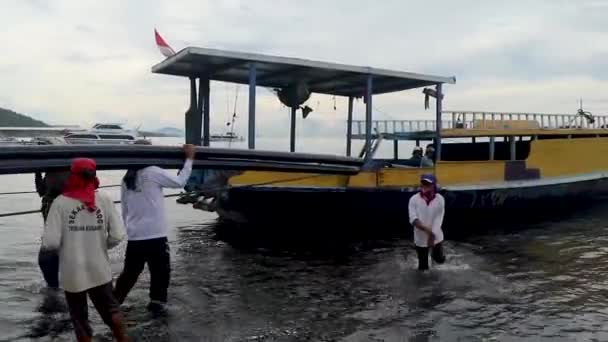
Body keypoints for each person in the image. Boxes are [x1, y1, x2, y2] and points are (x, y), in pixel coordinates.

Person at [41, 158, 128, 342]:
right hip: (99, 268)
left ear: (72, 175)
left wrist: (67, 247)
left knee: (80, 320)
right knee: (112, 310)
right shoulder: (104, 199)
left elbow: (50, 243)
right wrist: (100, 246)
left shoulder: (60, 203)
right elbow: (118, 235)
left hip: (73, 271)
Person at [114, 144, 195, 312]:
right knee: (160, 273)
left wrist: (130, 230)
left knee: (129, 274)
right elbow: (180, 182)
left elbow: (124, 209)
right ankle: (157, 306)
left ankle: (112, 304)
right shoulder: (153, 171)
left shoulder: (126, 178)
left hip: (135, 235)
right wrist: (189, 159)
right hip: (155, 235)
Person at [35, 170, 70, 290]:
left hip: (58, 209)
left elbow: (41, 191)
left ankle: (54, 287)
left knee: (48, 257)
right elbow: (41, 191)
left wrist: (37, 170)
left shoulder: (54, 168)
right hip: (60, 209)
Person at [408, 173, 446, 271]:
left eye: (428, 184)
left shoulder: (440, 199)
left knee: (440, 261)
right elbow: (413, 219)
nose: (425, 186)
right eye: (423, 183)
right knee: (423, 268)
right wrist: (428, 231)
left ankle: (435, 255)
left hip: (436, 235)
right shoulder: (413, 199)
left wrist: (433, 235)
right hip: (420, 238)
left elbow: (439, 219)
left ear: (434, 185)